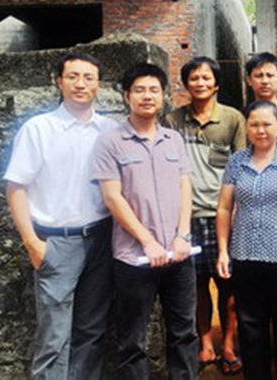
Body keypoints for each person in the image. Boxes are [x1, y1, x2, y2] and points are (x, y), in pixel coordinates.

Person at [4, 53, 117, 380]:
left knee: (91, 330)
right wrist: (32, 243)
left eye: (88, 77)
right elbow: (16, 187)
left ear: (99, 84)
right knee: (54, 334)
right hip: (56, 242)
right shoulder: (39, 129)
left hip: (100, 239)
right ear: (59, 82)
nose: (80, 84)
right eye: (72, 76)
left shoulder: (109, 130)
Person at [92, 63, 198, 379]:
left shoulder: (173, 139)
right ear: (127, 96)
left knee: (184, 332)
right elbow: (112, 198)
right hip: (134, 258)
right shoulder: (110, 142)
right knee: (132, 339)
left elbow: (185, 187)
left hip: (179, 255)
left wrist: (182, 235)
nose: (147, 96)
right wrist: (148, 241)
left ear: (163, 96)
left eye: (154, 90)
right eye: (139, 90)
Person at [216, 101, 277, 380]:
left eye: (267, 124)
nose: (260, 130)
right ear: (247, 127)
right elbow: (224, 208)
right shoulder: (237, 162)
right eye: (254, 124)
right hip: (244, 255)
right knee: (250, 329)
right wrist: (223, 251)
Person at [164, 56, 245, 375]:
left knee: (229, 285)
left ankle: (228, 344)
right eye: (194, 78)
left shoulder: (232, 119)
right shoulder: (172, 120)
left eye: (206, 78)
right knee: (195, 285)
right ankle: (206, 343)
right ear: (185, 84)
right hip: (187, 216)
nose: (200, 83)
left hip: (222, 214)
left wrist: (236, 212)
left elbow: (241, 167)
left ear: (216, 83)